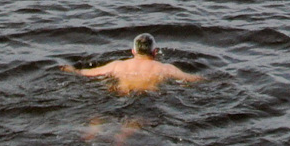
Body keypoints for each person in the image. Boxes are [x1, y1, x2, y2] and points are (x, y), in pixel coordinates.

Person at [62, 34, 202, 94]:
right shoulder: (164, 68)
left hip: (120, 94)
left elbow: (86, 73)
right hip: (146, 96)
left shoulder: (117, 65)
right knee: (134, 124)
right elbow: (191, 79)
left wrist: (70, 69)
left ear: (133, 51)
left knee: (97, 120)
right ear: (155, 52)